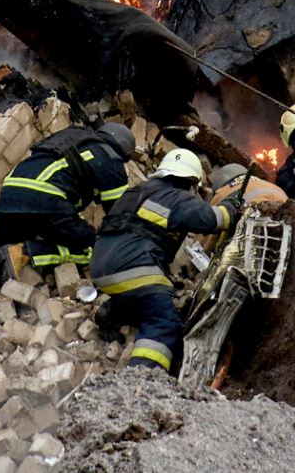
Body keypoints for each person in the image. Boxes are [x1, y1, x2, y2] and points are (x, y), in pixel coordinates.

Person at [89, 149, 240, 371]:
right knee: (164, 322)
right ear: (191, 181)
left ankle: (114, 311)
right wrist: (231, 206)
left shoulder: (137, 191)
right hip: (134, 267)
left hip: (102, 268)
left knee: (145, 301)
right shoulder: (177, 197)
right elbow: (213, 220)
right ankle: (142, 375)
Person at [0, 122, 134, 300]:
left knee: (4, 258)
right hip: (46, 198)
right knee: (90, 246)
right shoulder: (110, 159)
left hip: (10, 196)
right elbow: (119, 213)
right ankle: (26, 253)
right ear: (123, 150)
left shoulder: (73, 138)